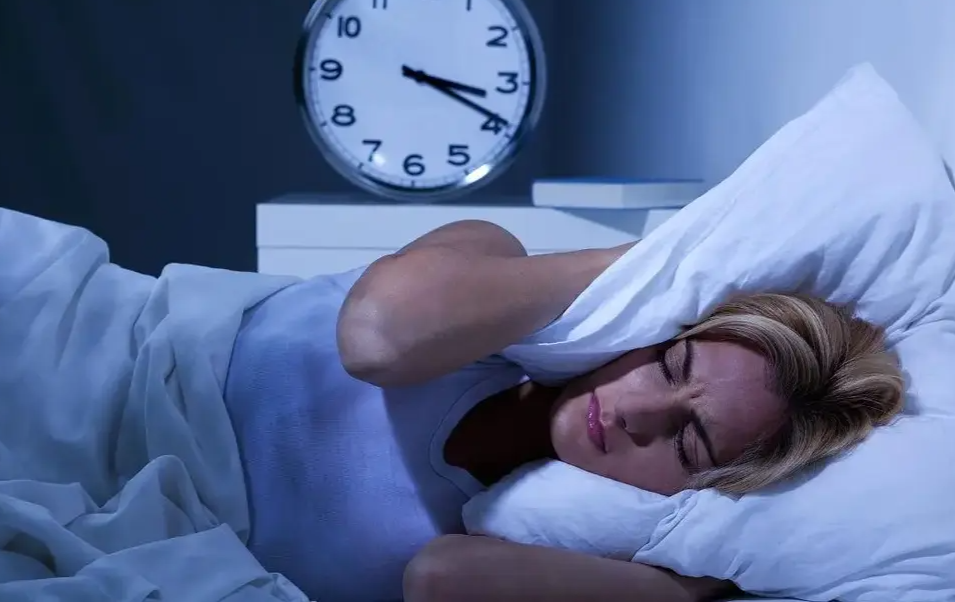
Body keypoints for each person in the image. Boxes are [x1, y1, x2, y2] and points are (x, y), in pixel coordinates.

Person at [222, 220, 904, 602]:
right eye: (670, 365)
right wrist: (654, 267)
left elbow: (439, 581)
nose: (640, 411)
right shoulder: (490, 273)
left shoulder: (523, 547)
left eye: (688, 442)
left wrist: (687, 585)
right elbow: (374, 340)